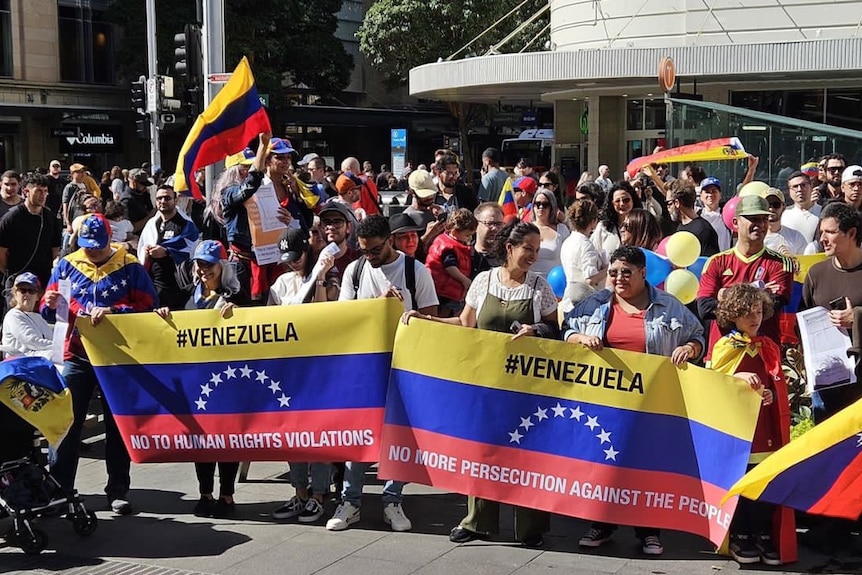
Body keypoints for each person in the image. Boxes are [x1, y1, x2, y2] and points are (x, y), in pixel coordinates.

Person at [404, 221, 560, 548]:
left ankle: (531, 527)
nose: (533, 255)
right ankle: (477, 522)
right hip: (486, 383)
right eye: (527, 248)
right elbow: (465, 324)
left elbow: (555, 330)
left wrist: (535, 330)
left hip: (526, 387)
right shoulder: (483, 281)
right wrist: (427, 320)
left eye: (536, 250)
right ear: (509, 248)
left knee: (527, 454)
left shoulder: (539, 286)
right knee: (483, 451)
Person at [563, 245, 705, 556]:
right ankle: (602, 523)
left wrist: (689, 349)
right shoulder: (595, 303)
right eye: (614, 272)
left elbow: (698, 336)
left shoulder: (668, 305)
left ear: (643, 273)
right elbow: (566, 329)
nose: (618, 278)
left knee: (646, 465)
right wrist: (579, 338)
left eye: (626, 272)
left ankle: (649, 531)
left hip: (651, 403)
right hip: (606, 402)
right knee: (604, 463)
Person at [41, 213, 157, 515]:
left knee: (117, 425)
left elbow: (149, 307)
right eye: (87, 245)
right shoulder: (66, 265)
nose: (92, 251)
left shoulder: (129, 265)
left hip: (116, 359)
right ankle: (60, 490)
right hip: (76, 355)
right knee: (65, 424)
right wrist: (49, 305)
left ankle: (118, 490)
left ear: (109, 239)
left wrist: (115, 311)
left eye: (97, 245)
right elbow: (48, 310)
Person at [328, 215, 438, 533]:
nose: (370, 256)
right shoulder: (355, 270)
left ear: (390, 241)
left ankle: (392, 500)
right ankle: (350, 501)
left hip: (404, 364)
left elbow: (431, 319)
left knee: (398, 434)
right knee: (359, 433)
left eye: (375, 250)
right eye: (364, 250)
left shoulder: (415, 271)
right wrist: (378, 306)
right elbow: (344, 319)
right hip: (365, 367)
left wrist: (406, 314)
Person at [155, 240, 246, 518]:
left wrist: (237, 314)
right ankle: (205, 493)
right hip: (195, 379)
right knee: (201, 439)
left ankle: (227, 495)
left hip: (227, 380)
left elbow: (251, 326)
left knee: (227, 438)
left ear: (222, 266)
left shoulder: (236, 296)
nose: (204, 270)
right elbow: (169, 323)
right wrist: (164, 314)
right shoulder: (186, 294)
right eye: (199, 264)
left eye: (209, 265)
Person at [710, 284, 796, 566]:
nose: (754, 318)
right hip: (737, 429)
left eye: (758, 312)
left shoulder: (768, 346)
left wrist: (771, 393)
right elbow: (713, 383)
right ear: (733, 315)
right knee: (739, 481)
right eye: (747, 313)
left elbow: (775, 382)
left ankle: (762, 533)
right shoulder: (725, 346)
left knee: (762, 483)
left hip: (764, 428)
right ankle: (740, 534)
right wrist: (738, 379)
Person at [269, 229, 336, 523]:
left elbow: (323, 311)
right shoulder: (281, 283)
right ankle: (300, 493)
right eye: (288, 259)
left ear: (307, 251)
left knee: (318, 431)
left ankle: (319, 495)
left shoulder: (327, 276)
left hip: (318, 367)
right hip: (289, 369)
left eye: (297, 257)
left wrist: (320, 277)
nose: (292, 263)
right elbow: (269, 320)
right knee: (292, 432)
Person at [696, 194, 794, 354]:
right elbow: (705, 308)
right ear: (735, 222)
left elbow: (772, 306)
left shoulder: (781, 263)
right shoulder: (716, 262)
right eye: (753, 219)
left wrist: (726, 294)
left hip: (763, 354)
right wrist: (759, 292)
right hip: (722, 354)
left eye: (764, 219)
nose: (760, 224)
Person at [801, 201, 862, 421]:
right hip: (826, 384)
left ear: (852, 233)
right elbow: (802, 321)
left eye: (830, 232)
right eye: (821, 232)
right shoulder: (816, 274)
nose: (822, 239)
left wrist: (857, 317)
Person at [0, 172, 62, 291]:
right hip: (16, 279)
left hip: (42, 279)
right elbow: (1, 254)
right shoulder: (11, 217)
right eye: (38, 191)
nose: (42, 195)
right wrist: (10, 273)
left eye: (45, 191)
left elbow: (55, 250)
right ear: (26, 192)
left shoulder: (51, 218)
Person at [425, 208, 477, 317]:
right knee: (449, 313)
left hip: (448, 288)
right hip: (445, 290)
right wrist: (464, 280)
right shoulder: (448, 247)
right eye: (467, 235)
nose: (470, 238)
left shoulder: (451, 241)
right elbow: (450, 267)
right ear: (454, 232)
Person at [1, 272, 52, 358]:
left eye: (31, 291)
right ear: (15, 294)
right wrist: (59, 347)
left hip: (38, 358)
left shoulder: (40, 318)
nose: (27, 294)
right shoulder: (13, 316)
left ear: (38, 296)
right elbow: (31, 341)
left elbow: (50, 338)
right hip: (19, 361)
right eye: (23, 290)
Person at [665, 179, 719, 256]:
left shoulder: (704, 230)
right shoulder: (680, 227)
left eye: (668, 203)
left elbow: (711, 261)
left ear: (677, 203)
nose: (668, 208)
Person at [592, 183, 642, 265]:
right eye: (617, 201)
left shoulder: (642, 225)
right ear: (612, 203)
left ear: (633, 200)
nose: (622, 204)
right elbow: (595, 255)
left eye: (626, 200)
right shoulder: (603, 227)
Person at [560, 199, 604, 289]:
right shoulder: (586, 245)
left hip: (570, 292)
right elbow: (590, 279)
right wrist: (608, 269)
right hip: (585, 294)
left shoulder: (567, 242)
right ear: (593, 221)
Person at [529, 188, 569, 277]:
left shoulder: (562, 230)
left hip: (554, 281)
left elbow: (569, 258)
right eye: (537, 204)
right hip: (530, 280)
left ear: (552, 207)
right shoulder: (526, 229)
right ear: (533, 206)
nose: (541, 207)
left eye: (545, 204)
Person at [698, 177, 732, 252]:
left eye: (714, 191)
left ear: (720, 195)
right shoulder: (697, 216)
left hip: (723, 258)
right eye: (707, 192)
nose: (710, 195)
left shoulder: (726, 215)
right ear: (701, 196)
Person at [471, 202, 504, 278]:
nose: (495, 228)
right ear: (476, 225)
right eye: (490, 223)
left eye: (499, 224)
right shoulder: (463, 255)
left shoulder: (507, 259)